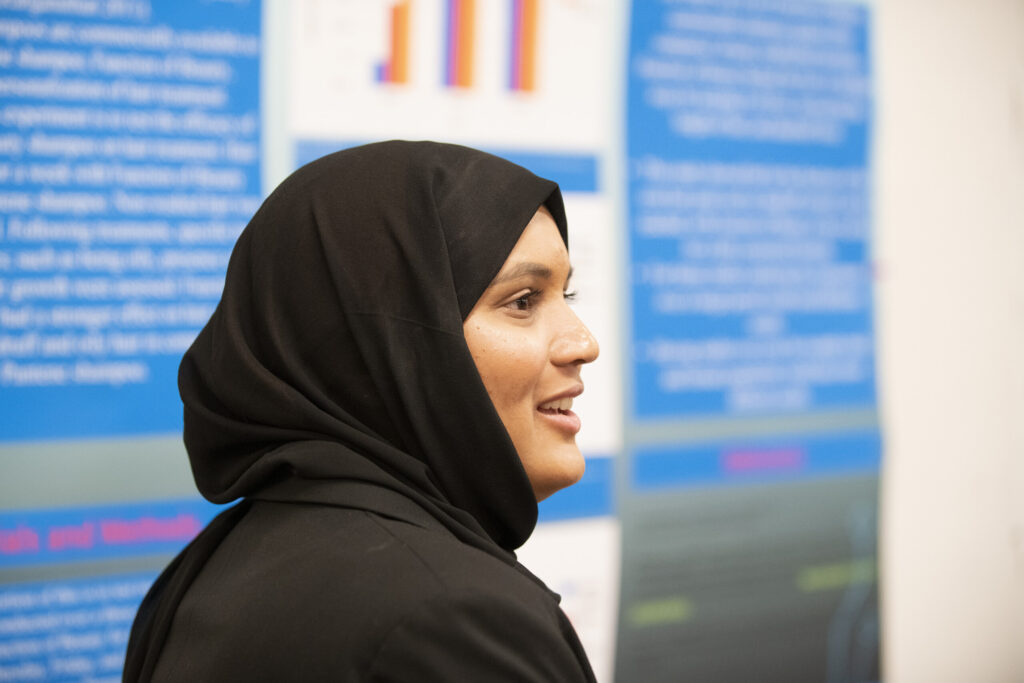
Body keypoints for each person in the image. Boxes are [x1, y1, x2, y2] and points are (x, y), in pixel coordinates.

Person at [123, 140, 600, 682]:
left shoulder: (201, 576)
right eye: (523, 301)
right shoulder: (453, 619)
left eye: (569, 296)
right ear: (387, 341)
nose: (583, 343)